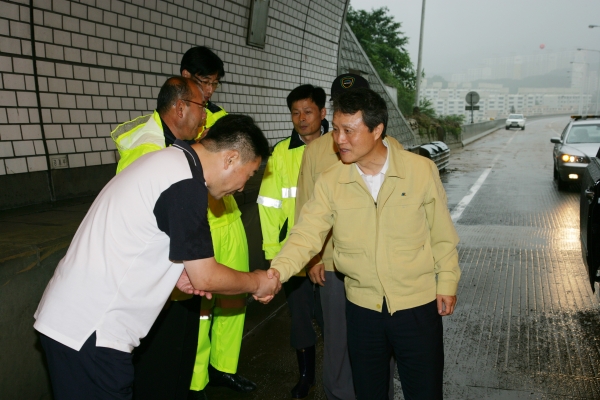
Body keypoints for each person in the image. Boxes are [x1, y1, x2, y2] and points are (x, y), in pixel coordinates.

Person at [33, 76, 279, 400]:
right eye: (248, 174)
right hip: (93, 333)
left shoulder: (169, 162)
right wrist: (258, 282)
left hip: (72, 323)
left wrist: (177, 275)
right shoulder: (186, 184)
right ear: (231, 158)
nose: (243, 187)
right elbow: (207, 275)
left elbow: (140, 238)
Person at [271, 88, 461, 400]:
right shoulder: (332, 180)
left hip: (417, 305)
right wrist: (276, 273)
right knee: (368, 392)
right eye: (336, 129)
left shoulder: (418, 170)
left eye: (349, 131)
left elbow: (441, 234)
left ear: (376, 130)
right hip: (361, 309)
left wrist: (447, 283)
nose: (339, 139)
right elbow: (306, 234)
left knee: (424, 391)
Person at [296, 74, 393, 400]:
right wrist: (312, 258)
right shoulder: (318, 151)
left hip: (380, 266)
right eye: (342, 104)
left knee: (379, 342)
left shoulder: (394, 150)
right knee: (338, 341)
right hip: (334, 266)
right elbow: (306, 208)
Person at [180, 46, 257, 399]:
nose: (209, 91)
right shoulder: (178, 120)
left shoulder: (222, 120)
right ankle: (196, 379)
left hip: (229, 218)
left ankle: (224, 367)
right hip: (200, 222)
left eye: (214, 84)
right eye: (203, 82)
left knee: (233, 297)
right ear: (185, 79)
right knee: (201, 303)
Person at [257, 84, 327, 398]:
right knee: (300, 318)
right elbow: (269, 206)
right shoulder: (281, 153)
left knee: (333, 318)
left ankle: (340, 376)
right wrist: (274, 255)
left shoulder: (340, 146)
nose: (301, 118)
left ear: (323, 113)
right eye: (295, 112)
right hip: (294, 254)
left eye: (308, 111)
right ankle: (305, 377)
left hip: (331, 254)